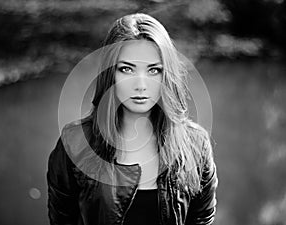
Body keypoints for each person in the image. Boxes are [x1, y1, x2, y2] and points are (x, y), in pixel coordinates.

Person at [47, 13, 218, 225]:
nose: (141, 85)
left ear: (167, 76)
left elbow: (201, 220)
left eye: (154, 70)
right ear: (111, 74)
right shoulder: (74, 143)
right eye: (127, 69)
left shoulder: (196, 145)